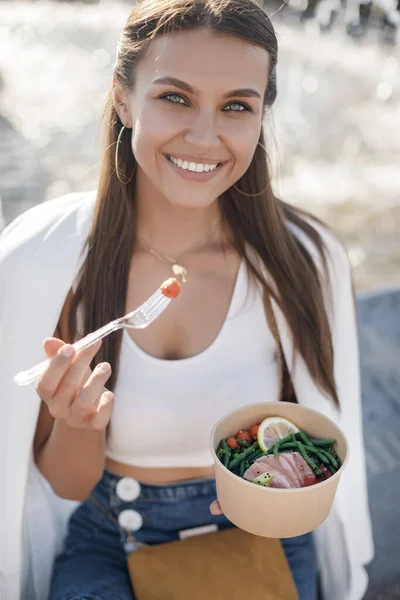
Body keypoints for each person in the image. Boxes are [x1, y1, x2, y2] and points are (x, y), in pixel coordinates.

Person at [0, 1, 374, 599]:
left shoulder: (301, 261)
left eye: (236, 106)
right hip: (110, 536)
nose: (204, 136)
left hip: (260, 531)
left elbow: (321, 452)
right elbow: (68, 486)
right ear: (124, 98)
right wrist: (76, 423)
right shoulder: (53, 262)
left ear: (260, 115)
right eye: (175, 97)